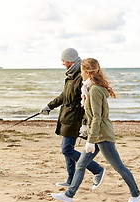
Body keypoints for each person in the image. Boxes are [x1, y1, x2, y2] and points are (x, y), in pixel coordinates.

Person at [51, 58, 140, 202]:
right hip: (97, 134)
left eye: (81, 71)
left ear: (87, 72)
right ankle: (69, 195)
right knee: (81, 164)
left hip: (102, 136)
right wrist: (84, 127)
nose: (80, 74)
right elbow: (90, 116)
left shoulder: (94, 90)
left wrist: (91, 141)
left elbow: (97, 118)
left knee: (119, 167)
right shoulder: (90, 89)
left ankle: (136, 194)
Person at [40, 48, 105, 189]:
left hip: (75, 120)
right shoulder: (70, 76)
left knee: (67, 149)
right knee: (67, 149)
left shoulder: (80, 77)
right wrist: (49, 106)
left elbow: (85, 104)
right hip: (66, 118)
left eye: (64, 60)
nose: (62, 63)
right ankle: (71, 179)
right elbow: (64, 96)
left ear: (70, 60)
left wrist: (84, 124)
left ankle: (97, 169)